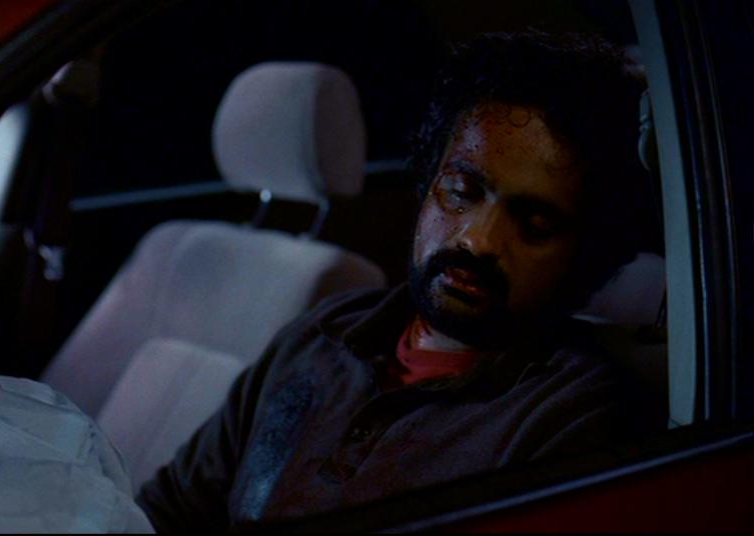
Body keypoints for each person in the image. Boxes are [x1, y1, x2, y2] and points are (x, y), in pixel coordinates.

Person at [137, 31, 658, 532]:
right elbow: (169, 511)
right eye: (461, 192)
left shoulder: (570, 417)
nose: (477, 240)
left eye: (535, 225)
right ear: (428, 185)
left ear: (586, 253)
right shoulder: (324, 331)